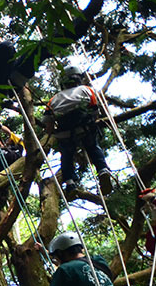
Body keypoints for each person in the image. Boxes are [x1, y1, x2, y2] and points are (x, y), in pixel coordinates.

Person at [0, 0, 104, 94]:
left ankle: (85, 18)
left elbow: (1, 54)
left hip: (12, 77)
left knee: (42, 48)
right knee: (7, 47)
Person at [40, 64, 113, 196]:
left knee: (66, 156)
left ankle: (69, 183)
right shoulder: (87, 90)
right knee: (93, 147)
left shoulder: (53, 99)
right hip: (85, 128)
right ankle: (102, 169)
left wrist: (49, 134)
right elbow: (95, 111)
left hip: (65, 134)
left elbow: (49, 124)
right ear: (79, 78)